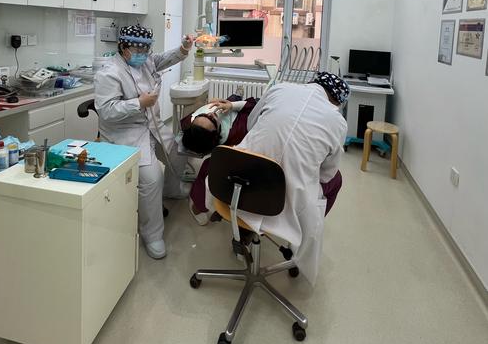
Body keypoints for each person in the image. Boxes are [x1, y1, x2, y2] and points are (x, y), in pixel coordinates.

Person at [235, 72, 350, 286]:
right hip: (285, 201)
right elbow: (327, 174)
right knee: (336, 181)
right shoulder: (337, 121)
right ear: (337, 101)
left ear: (313, 82)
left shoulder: (280, 89)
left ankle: (244, 231)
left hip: (240, 186)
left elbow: (251, 125)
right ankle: (302, 235)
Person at [94, 24, 193, 260]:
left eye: (146, 49)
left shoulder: (146, 60)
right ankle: (152, 234)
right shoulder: (109, 73)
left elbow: (163, 59)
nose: (143, 54)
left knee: (179, 149)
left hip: (151, 125)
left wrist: (183, 48)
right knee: (152, 178)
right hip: (125, 132)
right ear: (123, 47)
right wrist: (138, 103)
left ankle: (172, 190)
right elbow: (106, 111)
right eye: (138, 50)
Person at [181, 96, 257, 225]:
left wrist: (229, 104)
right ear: (216, 133)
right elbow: (253, 107)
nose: (211, 113)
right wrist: (233, 105)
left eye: (204, 115)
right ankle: (199, 205)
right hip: (238, 143)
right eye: (212, 119)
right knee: (210, 168)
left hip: (247, 146)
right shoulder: (236, 131)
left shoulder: (189, 122)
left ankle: (203, 205)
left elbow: (253, 106)